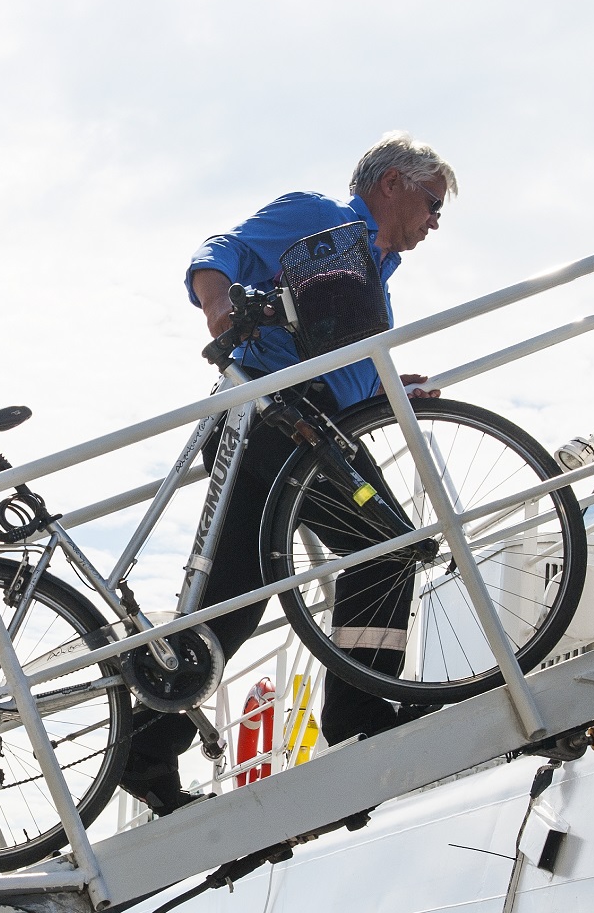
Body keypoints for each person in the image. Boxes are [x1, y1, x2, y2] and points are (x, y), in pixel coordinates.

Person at [119, 132, 458, 816]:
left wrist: (393, 393)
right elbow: (219, 251)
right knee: (375, 550)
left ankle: (145, 751)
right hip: (276, 423)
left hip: (305, 430)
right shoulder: (319, 217)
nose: (434, 222)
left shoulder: (374, 279)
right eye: (431, 203)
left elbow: (344, 377)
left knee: (250, 597)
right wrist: (217, 307)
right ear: (390, 184)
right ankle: (356, 713)